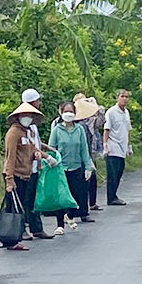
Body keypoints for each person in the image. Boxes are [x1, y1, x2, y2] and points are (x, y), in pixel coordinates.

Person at [2, 102, 45, 251]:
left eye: (29, 116)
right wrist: (9, 179)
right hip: (15, 175)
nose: (27, 118)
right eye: (24, 116)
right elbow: (10, 157)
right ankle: (12, 240)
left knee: (18, 207)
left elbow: (32, 150)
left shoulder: (26, 132)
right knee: (14, 209)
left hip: (26, 174)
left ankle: (9, 238)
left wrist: (41, 156)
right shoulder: (13, 133)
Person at [49, 100, 92, 233]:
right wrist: (51, 162)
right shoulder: (57, 130)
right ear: (61, 113)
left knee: (77, 196)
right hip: (61, 168)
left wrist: (88, 167)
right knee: (61, 197)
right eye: (66, 111)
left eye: (71, 112)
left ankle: (70, 215)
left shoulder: (79, 129)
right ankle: (60, 224)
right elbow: (51, 149)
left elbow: (84, 149)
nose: (68, 114)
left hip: (76, 167)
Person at [19, 88, 50, 239]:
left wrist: (47, 149)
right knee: (25, 200)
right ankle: (23, 229)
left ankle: (36, 228)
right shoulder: (22, 123)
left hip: (34, 167)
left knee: (33, 199)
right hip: (24, 168)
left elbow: (35, 142)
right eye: (37, 101)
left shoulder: (32, 122)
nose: (39, 103)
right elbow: (28, 146)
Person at [75, 95, 105, 211]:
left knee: (92, 178)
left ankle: (92, 203)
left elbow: (102, 120)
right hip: (78, 154)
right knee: (81, 181)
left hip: (91, 151)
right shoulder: (74, 122)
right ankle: (79, 207)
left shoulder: (91, 119)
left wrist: (95, 105)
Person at [103, 89, 132, 206]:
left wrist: (129, 146)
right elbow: (107, 129)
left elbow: (127, 130)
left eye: (126, 97)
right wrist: (105, 145)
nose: (124, 99)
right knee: (112, 174)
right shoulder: (111, 112)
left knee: (119, 172)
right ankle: (111, 197)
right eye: (122, 96)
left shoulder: (126, 113)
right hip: (113, 146)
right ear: (117, 98)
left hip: (122, 147)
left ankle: (114, 194)